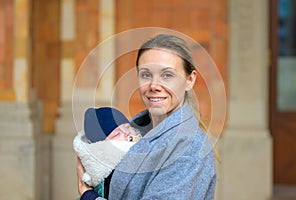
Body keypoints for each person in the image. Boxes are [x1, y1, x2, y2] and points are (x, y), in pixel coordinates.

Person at [77, 34, 216, 200]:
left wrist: (88, 196)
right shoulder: (133, 133)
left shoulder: (190, 148)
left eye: (167, 75)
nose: (154, 85)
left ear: (190, 80)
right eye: (146, 74)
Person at [73, 107, 142, 198]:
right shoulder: (108, 178)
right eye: (117, 134)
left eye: (127, 127)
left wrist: (88, 196)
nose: (127, 133)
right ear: (102, 146)